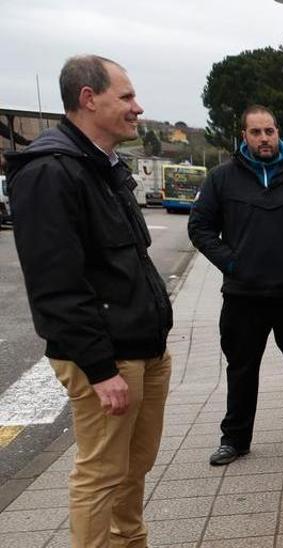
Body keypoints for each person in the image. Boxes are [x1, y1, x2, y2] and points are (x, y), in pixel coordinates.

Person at [5, 55, 173, 548]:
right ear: (87, 98)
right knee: (101, 474)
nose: (137, 108)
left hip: (144, 348)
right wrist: (101, 370)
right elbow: (55, 286)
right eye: (125, 97)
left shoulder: (101, 167)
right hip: (108, 356)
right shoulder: (51, 172)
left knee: (134, 468)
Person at [188, 105, 283, 466]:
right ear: (243, 135)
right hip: (244, 296)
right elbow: (200, 227)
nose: (263, 138)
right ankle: (235, 440)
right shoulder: (222, 179)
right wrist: (231, 262)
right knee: (241, 369)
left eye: (269, 131)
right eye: (256, 132)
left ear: (279, 133)